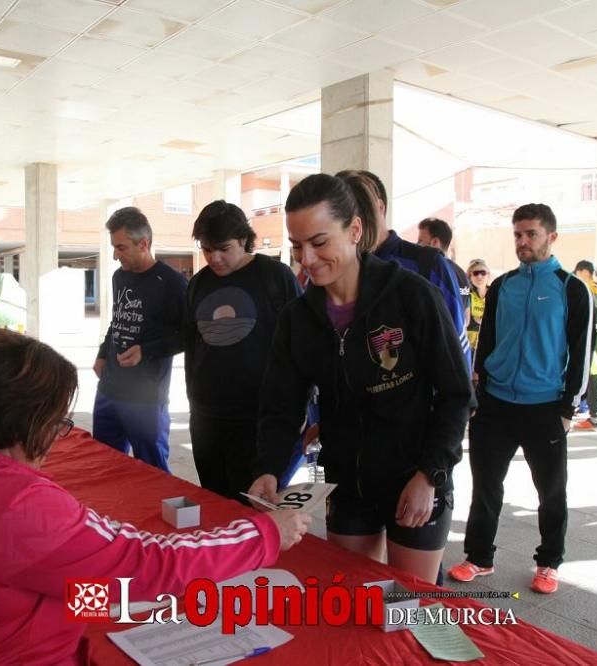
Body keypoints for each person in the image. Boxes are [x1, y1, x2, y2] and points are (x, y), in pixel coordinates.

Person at [0, 329, 310, 665]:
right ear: (23, 422)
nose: (56, 437)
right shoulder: (10, 500)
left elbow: (19, 585)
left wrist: (128, 601)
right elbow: (149, 559)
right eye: (57, 422)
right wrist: (265, 531)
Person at [248, 173, 473, 584]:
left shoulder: (413, 296)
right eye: (297, 246)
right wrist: (269, 468)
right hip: (348, 485)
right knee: (356, 603)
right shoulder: (297, 320)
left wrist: (430, 474)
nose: (307, 259)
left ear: (354, 230)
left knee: (412, 610)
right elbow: (281, 406)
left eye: (319, 243)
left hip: (415, 476)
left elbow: (457, 394)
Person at [449, 203, 591, 595]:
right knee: (486, 485)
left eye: (530, 234)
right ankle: (479, 557)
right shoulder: (503, 286)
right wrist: (478, 393)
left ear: (551, 237)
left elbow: (580, 351)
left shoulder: (570, 288)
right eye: (517, 235)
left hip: (545, 406)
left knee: (551, 491)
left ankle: (549, 562)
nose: (522, 242)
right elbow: (487, 342)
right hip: (495, 403)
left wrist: (568, 408)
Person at [183, 200, 300, 501]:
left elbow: (300, 344)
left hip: (258, 419)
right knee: (214, 502)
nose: (215, 258)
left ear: (245, 240)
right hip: (207, 418)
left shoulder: (275, 276)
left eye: (223, 248)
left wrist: (301, 408)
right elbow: (192, 345)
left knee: (255, 506)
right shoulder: (198, 283)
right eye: (207, 250)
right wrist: (193, 396)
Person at [92, 207, 187, 472]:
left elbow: (190, 335)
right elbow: (117, 319)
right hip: (109, 388)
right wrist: (102, 353)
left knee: (153, 473)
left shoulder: (173, 284)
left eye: (121, 248)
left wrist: (146, 351)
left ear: (143, 244)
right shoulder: (119, 277)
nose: (115, 255)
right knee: (106, 469)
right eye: (114, 247)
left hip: (145, 398)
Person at [346, 172, 471, 368]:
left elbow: (456, 348)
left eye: (360, 208)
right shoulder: (338, 270)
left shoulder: (428, 264)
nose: (353, 223)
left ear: (379, 207)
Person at [573, 260, 597, 430]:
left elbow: (595, 318)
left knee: (594, 378)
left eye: (577, 273)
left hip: (596, 341)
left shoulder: (593, 289)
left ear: (585, 272)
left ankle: (595, 417)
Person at [417, 217, 470, 325]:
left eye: (420, 241)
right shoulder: (462, 274)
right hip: (457, 338)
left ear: (435, 242)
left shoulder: (432, 272)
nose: (416, 246)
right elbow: (466, 318)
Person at [466, 258, 491, 360]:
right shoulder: (467, 295)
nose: (479, 276)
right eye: (475, 273)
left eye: (483, 273)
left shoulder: (494, 293)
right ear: (470, 276)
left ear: (488, 275)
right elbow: (466, 322)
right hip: (469, 347)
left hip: (488, 346)